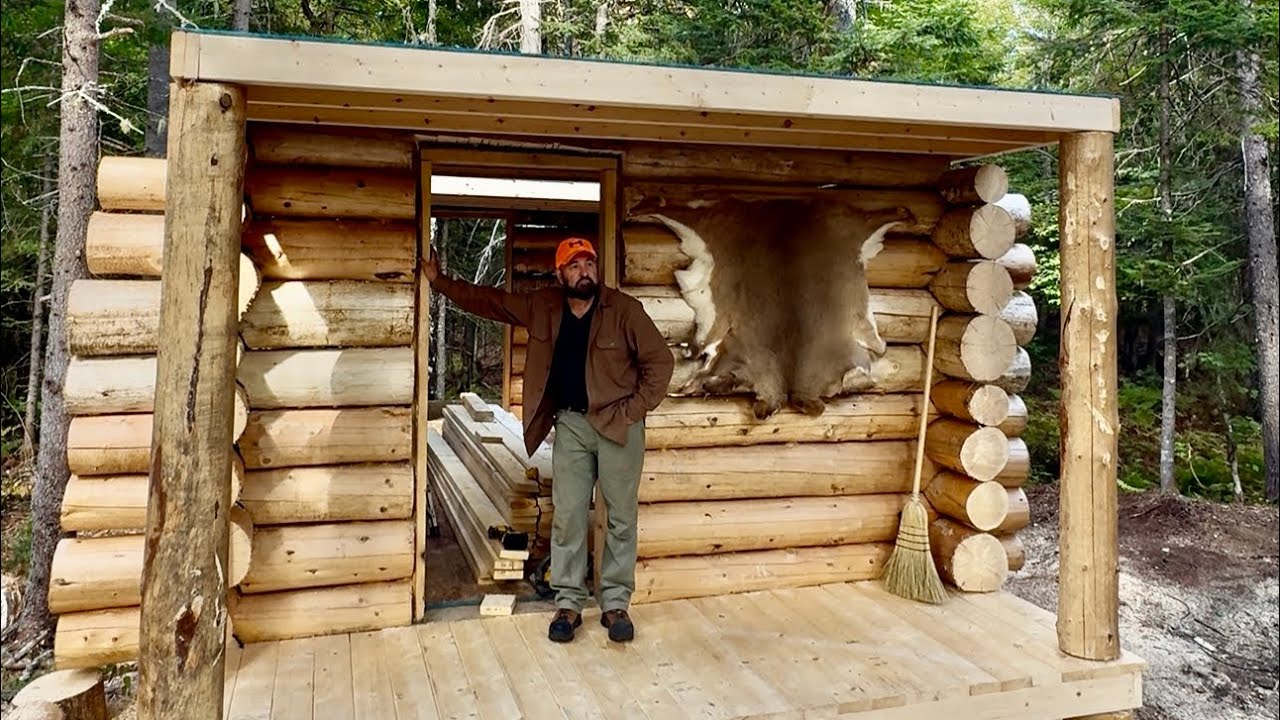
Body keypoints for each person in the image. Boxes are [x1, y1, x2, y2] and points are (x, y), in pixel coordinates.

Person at [422, 236, 674, 643]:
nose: (584, 271)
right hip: (572, 425)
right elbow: (492, 302)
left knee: (621, 518)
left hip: (619, 425)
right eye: (574, 266)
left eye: (589, 263)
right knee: (570, 514)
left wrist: (632, 411)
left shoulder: (625, 311)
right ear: (560, 274)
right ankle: (569, 603)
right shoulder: (544, 306)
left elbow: (661, 363)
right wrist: (441, 282)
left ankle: (615, 604)